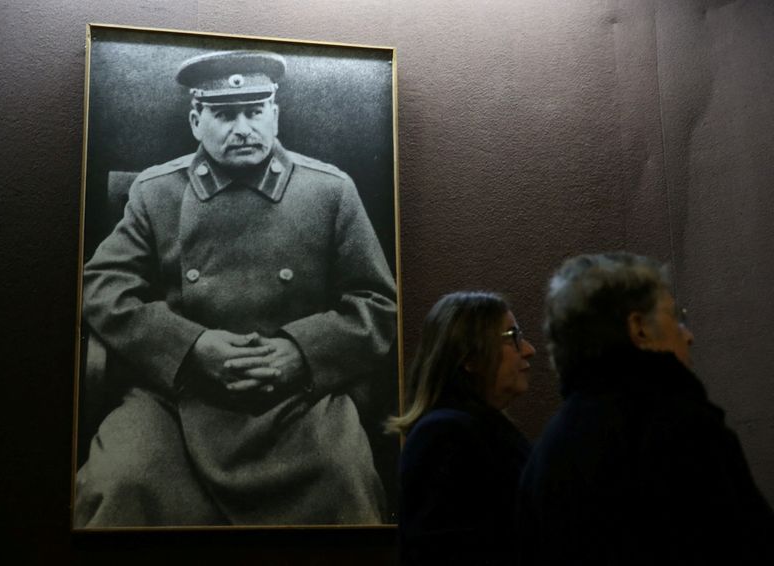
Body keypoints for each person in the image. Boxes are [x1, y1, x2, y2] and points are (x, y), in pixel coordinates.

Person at [74, 50, 397, 527]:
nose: (242, 128)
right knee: (122, 481)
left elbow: (377, 303)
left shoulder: (330, 191)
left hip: (297, 401)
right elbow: (101, 287)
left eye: (254, 111)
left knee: (343, 480)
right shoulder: (156, 191)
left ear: (275, 114)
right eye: (225, 115)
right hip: (177, 398)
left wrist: (301, 352)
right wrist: (191, 346)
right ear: (196, 120)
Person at [517, 252, 774, 565]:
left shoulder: (545, 453)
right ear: (638, 327)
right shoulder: (681, 428)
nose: (688, 334)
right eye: (675, 316)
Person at [388, 291, 536, 565]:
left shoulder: (471, 427)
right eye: (512, 337)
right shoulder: (444, 435)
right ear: (470, 358)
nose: (528, 348)